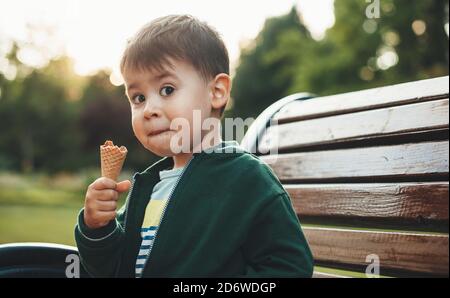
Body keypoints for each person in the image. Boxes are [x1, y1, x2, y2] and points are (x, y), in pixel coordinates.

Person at [74, 14, 313, 278]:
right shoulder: (148, 186)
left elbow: (290, 268)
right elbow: (111, 271)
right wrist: (96, 229)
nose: (149, 110)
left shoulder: (248, 181)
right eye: (138, 97)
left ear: (217, 92)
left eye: (166, 89)